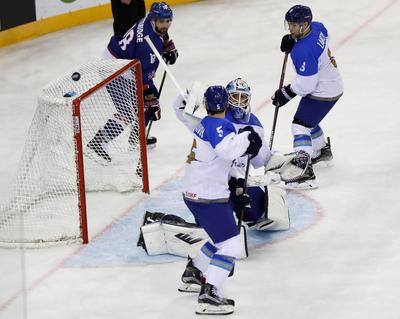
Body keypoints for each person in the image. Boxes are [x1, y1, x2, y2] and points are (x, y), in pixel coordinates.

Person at [177, 85, 262, 315]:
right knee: (231, 245)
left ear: (206, 105)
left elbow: (216, 158)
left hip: (194, 194)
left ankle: (194, 272)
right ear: (227, 105)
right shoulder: (220, 125)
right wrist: (248, 138)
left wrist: (235, 184)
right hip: (208, 196)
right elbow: (227, 150)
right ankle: (210, 291)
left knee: (220, 239)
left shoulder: (204, 124)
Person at [88, 1, 179, 161]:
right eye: (162, 22)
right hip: (114, 68)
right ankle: (98, 142)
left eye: (167, 21)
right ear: (153, 20)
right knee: (127, 112)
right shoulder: (146, 44)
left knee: (150, 103)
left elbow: (162, 35)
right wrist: (148, 98)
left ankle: (136, 136)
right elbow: (143, 76)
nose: (165, 25)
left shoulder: (152, 23)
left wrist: (167, 46)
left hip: (128, 64)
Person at [271, 4, 343, 188]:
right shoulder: (318, 27)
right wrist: (294, 40)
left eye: (295, 25)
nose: (291, 28)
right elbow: (318, 34)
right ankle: (320, 150)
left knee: (300, 126)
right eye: (290, 24)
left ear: (305, 24)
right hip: (331, 83)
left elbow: (305, 86)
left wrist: (285, 93)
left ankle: (304, 172)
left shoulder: (303, 52)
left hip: (322, 91)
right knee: (309, 119)